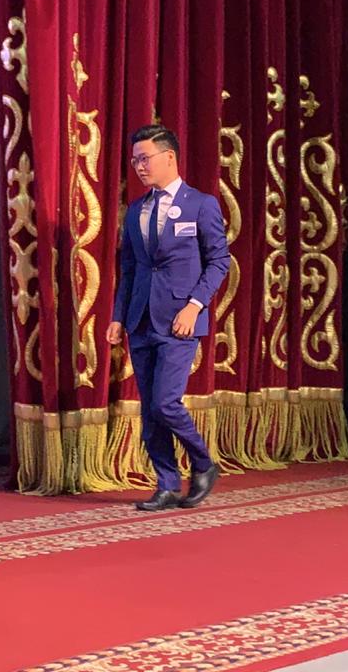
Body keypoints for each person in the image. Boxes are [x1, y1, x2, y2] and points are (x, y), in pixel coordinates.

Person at [106, 125, 230, 511]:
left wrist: (194, 306)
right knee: (149, 412)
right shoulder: (136, 211)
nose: (139, 167)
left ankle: (204, 463)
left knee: (165, 403)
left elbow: (219, 261)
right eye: (135, 161)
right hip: (140, 319)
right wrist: (118, 316)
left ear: (170, 157)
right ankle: (166, 484)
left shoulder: (201, 205)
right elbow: (129, 269)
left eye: (145, 159)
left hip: (180, 319)